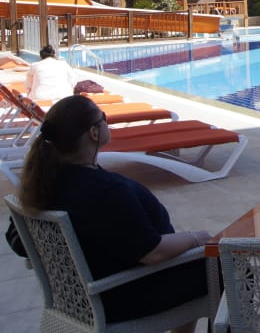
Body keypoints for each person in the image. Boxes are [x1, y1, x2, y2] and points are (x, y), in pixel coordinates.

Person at [17, 95, 210, 330]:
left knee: (197, 265)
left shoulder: (42, 184)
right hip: (120, 294)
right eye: (103, 118)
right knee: (224, 269)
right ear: (93, 133)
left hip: (80, 297)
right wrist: (197, 238)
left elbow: (17, 241)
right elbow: (153, 253)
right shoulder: (103, 191)